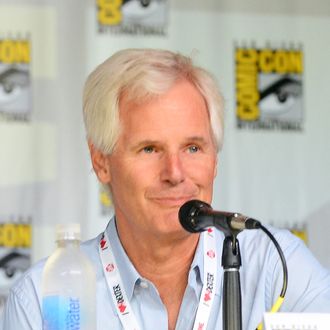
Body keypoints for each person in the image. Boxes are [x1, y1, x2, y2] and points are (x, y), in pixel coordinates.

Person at [2, 48, 330, 330]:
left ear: (215, 159)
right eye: (150, 149)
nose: (175, 173)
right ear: (101, 162)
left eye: (192, 148)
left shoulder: (277, 267)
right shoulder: (43, 300)